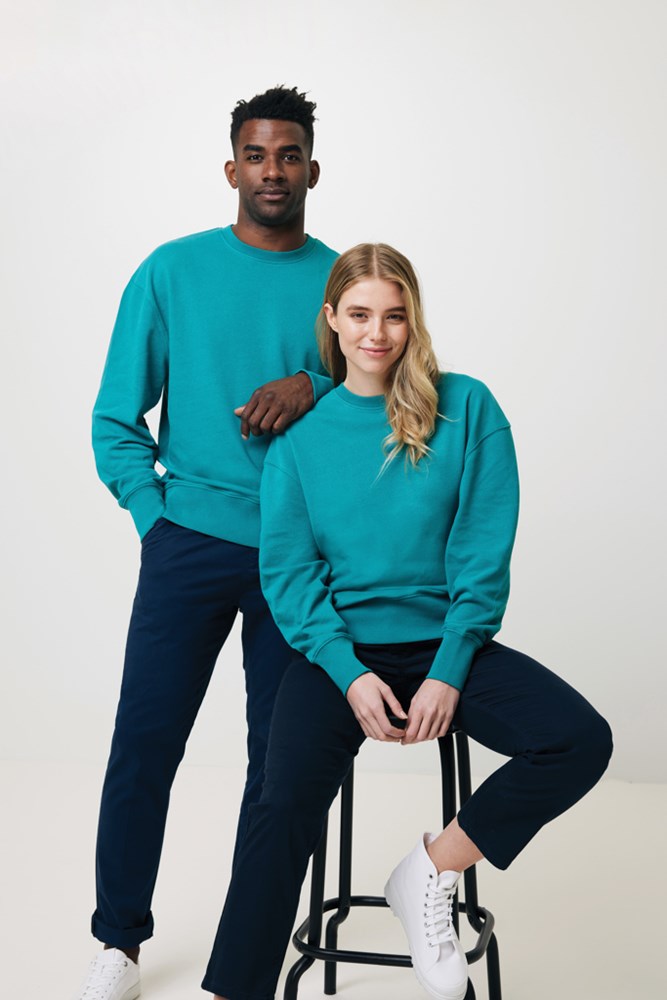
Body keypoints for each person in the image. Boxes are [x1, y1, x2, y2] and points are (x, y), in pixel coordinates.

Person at [203, 243, 613, 1000]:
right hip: (340, 656)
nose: (377, 333)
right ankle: (235, 991)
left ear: (412, 320)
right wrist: (348, 674)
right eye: (359, 315)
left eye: (394, 316)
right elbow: (289, 574)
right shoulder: (300, 439)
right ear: (332, 318)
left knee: (578, 739)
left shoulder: (468, 408)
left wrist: (449, 670)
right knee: (279, 800)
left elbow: (482, 552)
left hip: (446, 644)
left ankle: (429, 870)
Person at [78, 86, 338, 1000]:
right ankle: (118, 942)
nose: (273, 171)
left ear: (313, 169)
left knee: (280, 767)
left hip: (299, 559)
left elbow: (388, 393)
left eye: (289, 155)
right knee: (145, 745)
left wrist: (312, 383)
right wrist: (156, 521)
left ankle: (241, 972)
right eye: (256, 155)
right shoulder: (172, 271)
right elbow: (115, 419)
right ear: (232, 168)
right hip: (187, 543)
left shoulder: (342, 282)